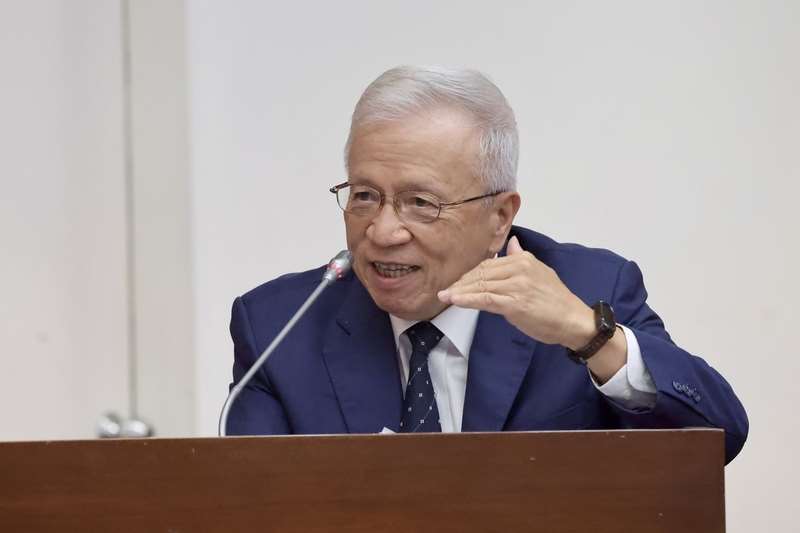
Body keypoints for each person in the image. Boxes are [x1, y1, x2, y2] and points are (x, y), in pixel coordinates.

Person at [227, 66, 748, 464]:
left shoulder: (589, 289)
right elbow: (253, 502)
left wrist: (587, 335)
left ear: (500, 217)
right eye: (364, 195)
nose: (382, 232)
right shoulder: (279, 327)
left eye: (421, 203)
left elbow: (717, 441)